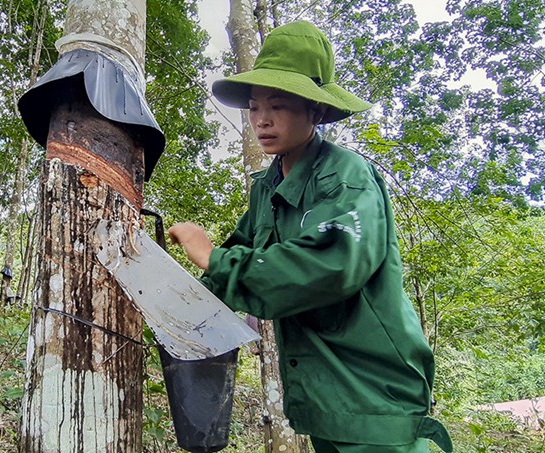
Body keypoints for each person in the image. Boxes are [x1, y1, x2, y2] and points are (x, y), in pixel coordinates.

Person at [167, 21, 453, 453]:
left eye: (278, 106)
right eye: (254, 107)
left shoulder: (346, 177)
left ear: (315, 112)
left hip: (373, 395)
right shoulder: (267, 188)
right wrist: (173, 301)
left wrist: (213, 258)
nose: (261, 120)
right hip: (321, 396)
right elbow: (236, 263)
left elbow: (333, 264)